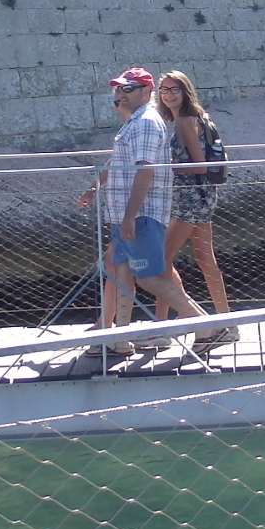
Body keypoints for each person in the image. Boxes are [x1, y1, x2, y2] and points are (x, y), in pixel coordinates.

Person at [72, 68, 210, 351]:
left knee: (150, 277)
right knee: (121, 269)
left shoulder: (146, 122)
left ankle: (206, 327)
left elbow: (144, 171)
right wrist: (93, 188)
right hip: (127, 212)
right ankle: (119, 339)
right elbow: (119, 163)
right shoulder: (134, 122)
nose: (120, 94)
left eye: (128, 89)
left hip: (141, 214)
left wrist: (129, 217)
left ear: (146, 92)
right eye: (119, 89)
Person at [157, 70, 236, 342]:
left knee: (160, 259)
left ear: (185, 92)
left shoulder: (185, 122)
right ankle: (228, 323)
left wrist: (165, 168)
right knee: (205, 260)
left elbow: (200, 165)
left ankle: (163, 327)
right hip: (203, 197)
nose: (168, 94)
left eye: (174, 89)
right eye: (164, 89)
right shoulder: (195, 118)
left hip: (189, 200)